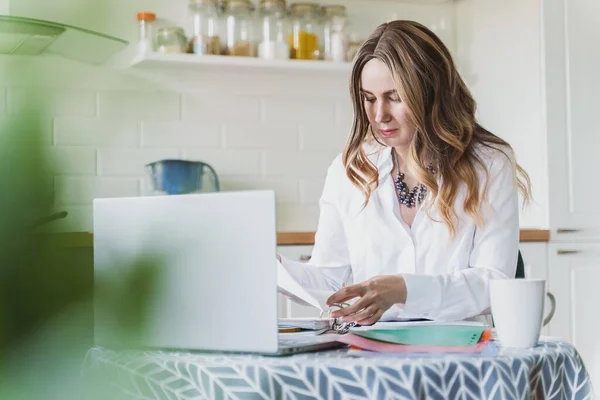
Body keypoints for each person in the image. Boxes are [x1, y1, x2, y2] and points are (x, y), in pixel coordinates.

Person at [278, 20, 531, 325]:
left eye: (394, 97)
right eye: (369, 98)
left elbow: (494, 283)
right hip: (372, 353)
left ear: (431, 93)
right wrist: (272, 268)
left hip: (459, 355)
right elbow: (330, 281)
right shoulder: (350, 169)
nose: (379, 114)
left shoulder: (489, 164)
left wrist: (405, 290)